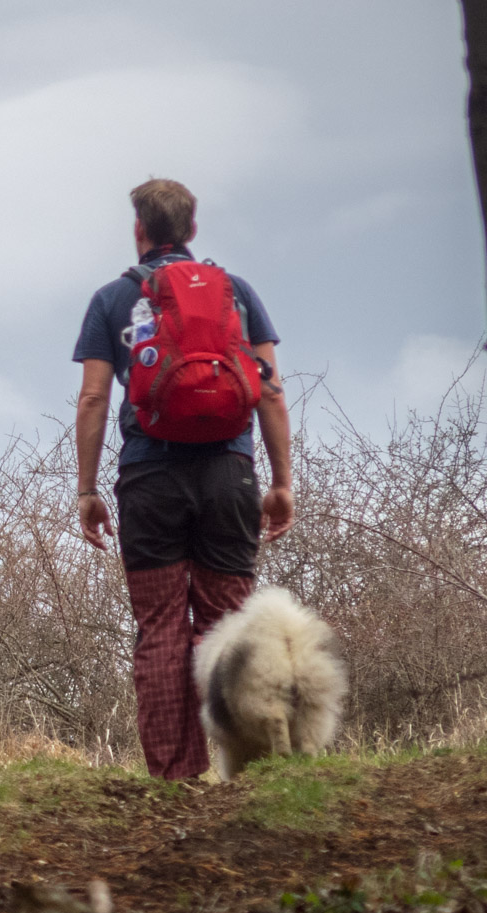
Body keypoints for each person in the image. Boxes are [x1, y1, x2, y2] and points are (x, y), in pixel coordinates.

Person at [72, 178, 294, 780]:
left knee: (161, 629)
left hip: (149, 476)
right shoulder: (237, 294)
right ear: (192, 231)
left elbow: (94, 399)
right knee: (227, 626)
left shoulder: (112, 300)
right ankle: (243, 769)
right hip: (229, 472)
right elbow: (270, 394)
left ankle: (176, 778)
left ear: (139, 229)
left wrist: (88, 490)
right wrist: (281, 482)